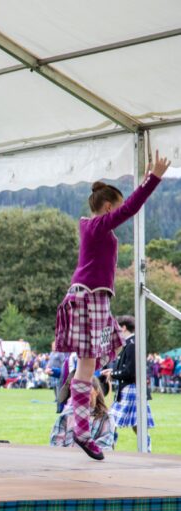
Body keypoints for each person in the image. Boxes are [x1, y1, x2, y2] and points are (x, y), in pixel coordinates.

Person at [55, 153, 170, 460]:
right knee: (87, 366)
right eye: (116, 209)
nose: (119, 214)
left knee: (88, 365)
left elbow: (126, 207)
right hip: (89, 297)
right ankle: (80, 428)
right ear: (108, 208)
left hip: (94, 297)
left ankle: (80, 428)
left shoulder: (92, 227)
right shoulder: (97, 227)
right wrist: (153, 179)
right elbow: (131, 207)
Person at [104, 316, 154, 451]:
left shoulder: (132, 344)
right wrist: (113, 370)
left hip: (131, 389)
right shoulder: (132, 343)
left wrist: (113, 374)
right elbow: (129, 367)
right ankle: (146, 450)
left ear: (124, 327)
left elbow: (132, 372)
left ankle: (108, 448)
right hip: (132, 389)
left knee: (111, 421)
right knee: (137, 424)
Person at [50, 377, 115, 452]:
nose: (83, 392)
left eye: (88, 388)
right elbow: (55, 444)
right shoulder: (66, 415)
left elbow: (104, 447)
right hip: (66, 460)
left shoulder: (106, 417)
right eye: (79, 390)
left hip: (93, 461)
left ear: (97, 391)